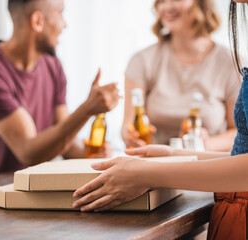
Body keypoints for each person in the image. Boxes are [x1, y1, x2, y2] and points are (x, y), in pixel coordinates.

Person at [73, 2, 248, 239]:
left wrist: (149, 173)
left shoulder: (229, 59)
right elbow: (242, 152)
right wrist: (172, 155)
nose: (167, 6)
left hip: (219, 194)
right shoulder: (143, 59)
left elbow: (239, 148)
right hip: (221, 199)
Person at [0, 0, 121, 173]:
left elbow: (66, 143)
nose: (65, 24)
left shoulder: (53, 65)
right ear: (38, 21)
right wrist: (86, 110)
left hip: (36, 186)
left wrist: (91, 153)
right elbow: (28, 152)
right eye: (60, 12)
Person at [122, 0, 240, 151]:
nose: (167, 7)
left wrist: (206, 143)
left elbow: (240, 133)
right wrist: (129, 135)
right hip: (153, 165)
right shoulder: (142, 60)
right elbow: (128, 126)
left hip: (205, 165)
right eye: (161, 1)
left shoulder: (231, 63)